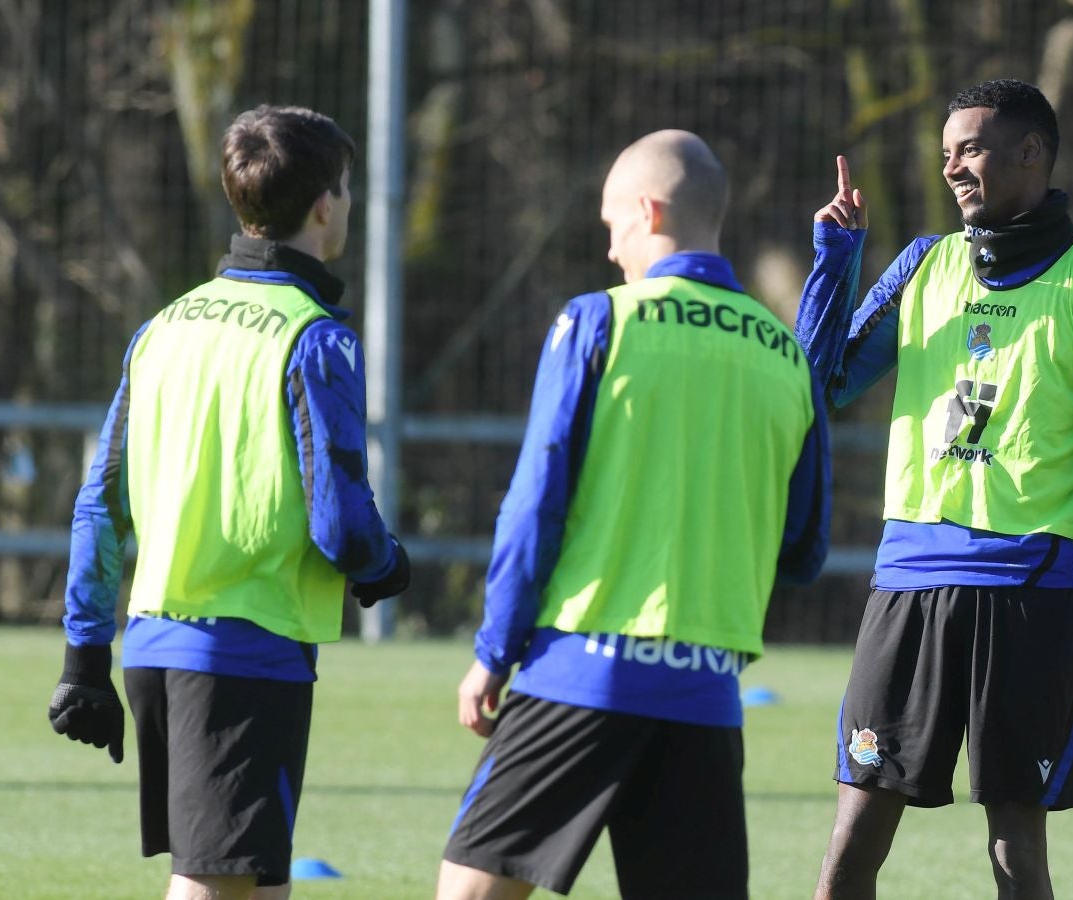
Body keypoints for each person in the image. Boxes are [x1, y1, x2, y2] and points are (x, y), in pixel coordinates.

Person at [436, 129, 832, 900]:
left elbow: (536, 501)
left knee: (472, 892)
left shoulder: (598, 321)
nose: (613, 251)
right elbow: (804, 548)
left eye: (613, 226)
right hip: (709, 692)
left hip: (585, 669)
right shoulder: (788, 358)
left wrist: (494, 647)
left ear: (648, 213)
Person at [798, 79, 1073, 899]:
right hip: (906, 590)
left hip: (1024, 598)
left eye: (969, 149)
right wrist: (834, 261)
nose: (953, 168)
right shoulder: (921, 265)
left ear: (1031, 153)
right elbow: (813, 387)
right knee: (849, 851)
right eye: (944, 156)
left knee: (1016, 858)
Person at [48, 104, 411, 900]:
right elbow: (340, 517)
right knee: (213, 886)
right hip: (244, 655)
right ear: (325, 204)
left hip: (155, 646)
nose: (347, 205)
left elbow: (99, 505)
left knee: (257, 882)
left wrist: (84, 657)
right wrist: (384, 563)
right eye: (346, 190)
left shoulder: (165, 326)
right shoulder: (313, 335)